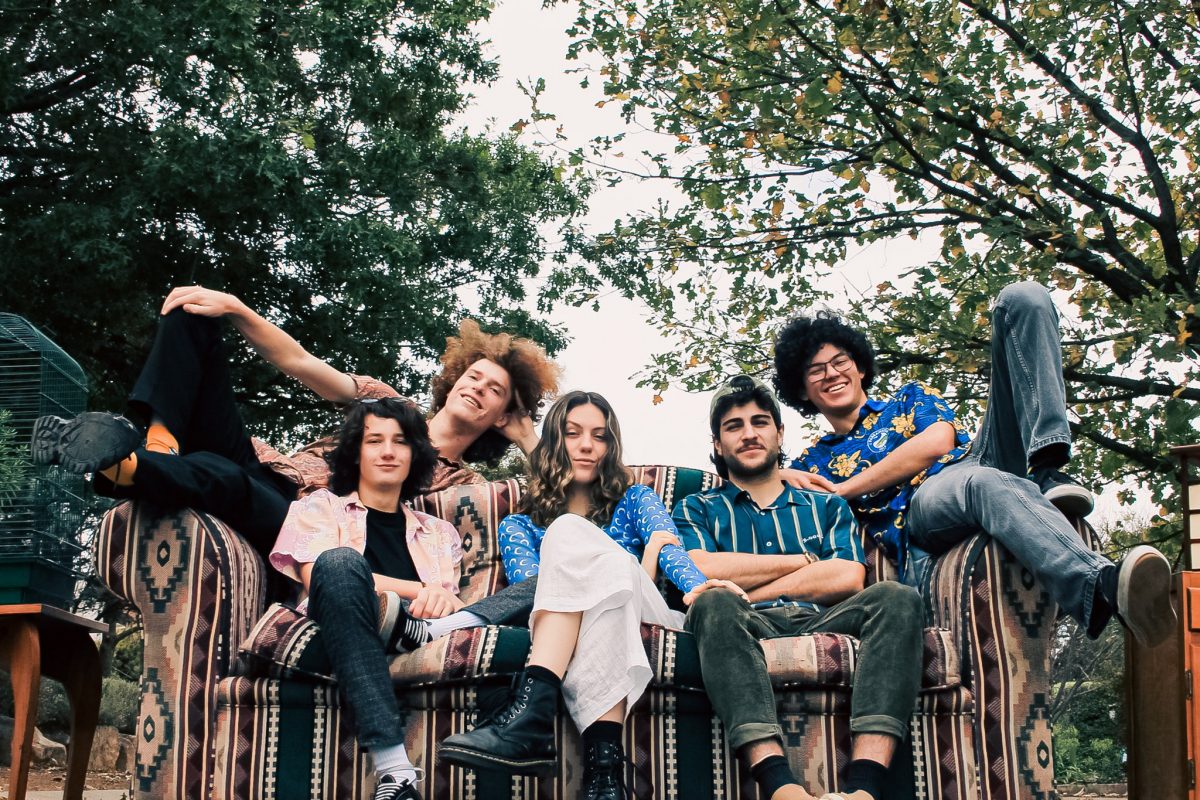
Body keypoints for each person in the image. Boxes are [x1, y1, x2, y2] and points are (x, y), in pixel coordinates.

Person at [773, 282, 1177, 648]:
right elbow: (771, 497)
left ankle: (1048, 462)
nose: (831, 374)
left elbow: (937, 442)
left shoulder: (909, 398)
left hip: (975, 456)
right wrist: (778, 473)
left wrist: (845, 487)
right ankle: (1098, 587)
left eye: (840, 361)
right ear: (803, 391)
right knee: (982, 482)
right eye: (815, 370)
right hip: (923, 505)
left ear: (859, 367)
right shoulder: (814, 459)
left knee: (1021, 298)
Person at [30, 286, 559, 557]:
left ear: (499, 415)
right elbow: (302, 364)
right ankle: (155, 447)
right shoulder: (385, 401)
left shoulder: (462, 482)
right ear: (454, 376)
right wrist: (235, 307)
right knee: (192, 314)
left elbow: (562, 496)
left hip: (304, 521)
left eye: (495, 392)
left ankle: (125, 465)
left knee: (222, 474)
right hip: (267, 467)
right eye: (474, 375)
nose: (476, 388)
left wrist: (529, 434)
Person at [438, 391, 741, 800]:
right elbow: (541, 595)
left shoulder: (636, 499)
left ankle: (531, 712)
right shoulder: (518, 526)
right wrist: (637, 561)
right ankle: (605, 775)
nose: (586, 445)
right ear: (553, 443)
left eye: (599, 436)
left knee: (573, 534)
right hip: (599, 618)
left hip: (652, 613)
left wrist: (694, 587)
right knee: (583, 554)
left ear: (610, 446)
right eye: (572, 433)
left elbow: (672, 550)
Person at [673, 376, 924, 800]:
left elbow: (847, 577)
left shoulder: (826, 504)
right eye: (734, 426)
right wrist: (805, 562)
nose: (749, 433)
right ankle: (780, 787)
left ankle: (864, 788)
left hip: (825, 618)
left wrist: (746, 589)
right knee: (713, 602)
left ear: (779, 433)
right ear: (717, 444)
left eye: (760, 422)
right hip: (741, 625)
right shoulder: (697, 507)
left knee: (898, 597)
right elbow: (701, 567)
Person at [271, 397, 448, 800]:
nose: (387, 451)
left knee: (539, 588)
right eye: (374, 440)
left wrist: (441, 603)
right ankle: (394, 769)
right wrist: (419, 590)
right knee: (339, 562)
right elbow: (318, 575)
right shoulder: (320, 508)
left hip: (425, 634)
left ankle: (408, 630)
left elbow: (446, 602)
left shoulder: (439, 533)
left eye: (400, 441)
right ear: (356, 452)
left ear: (414, 453)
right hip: (336, 630)